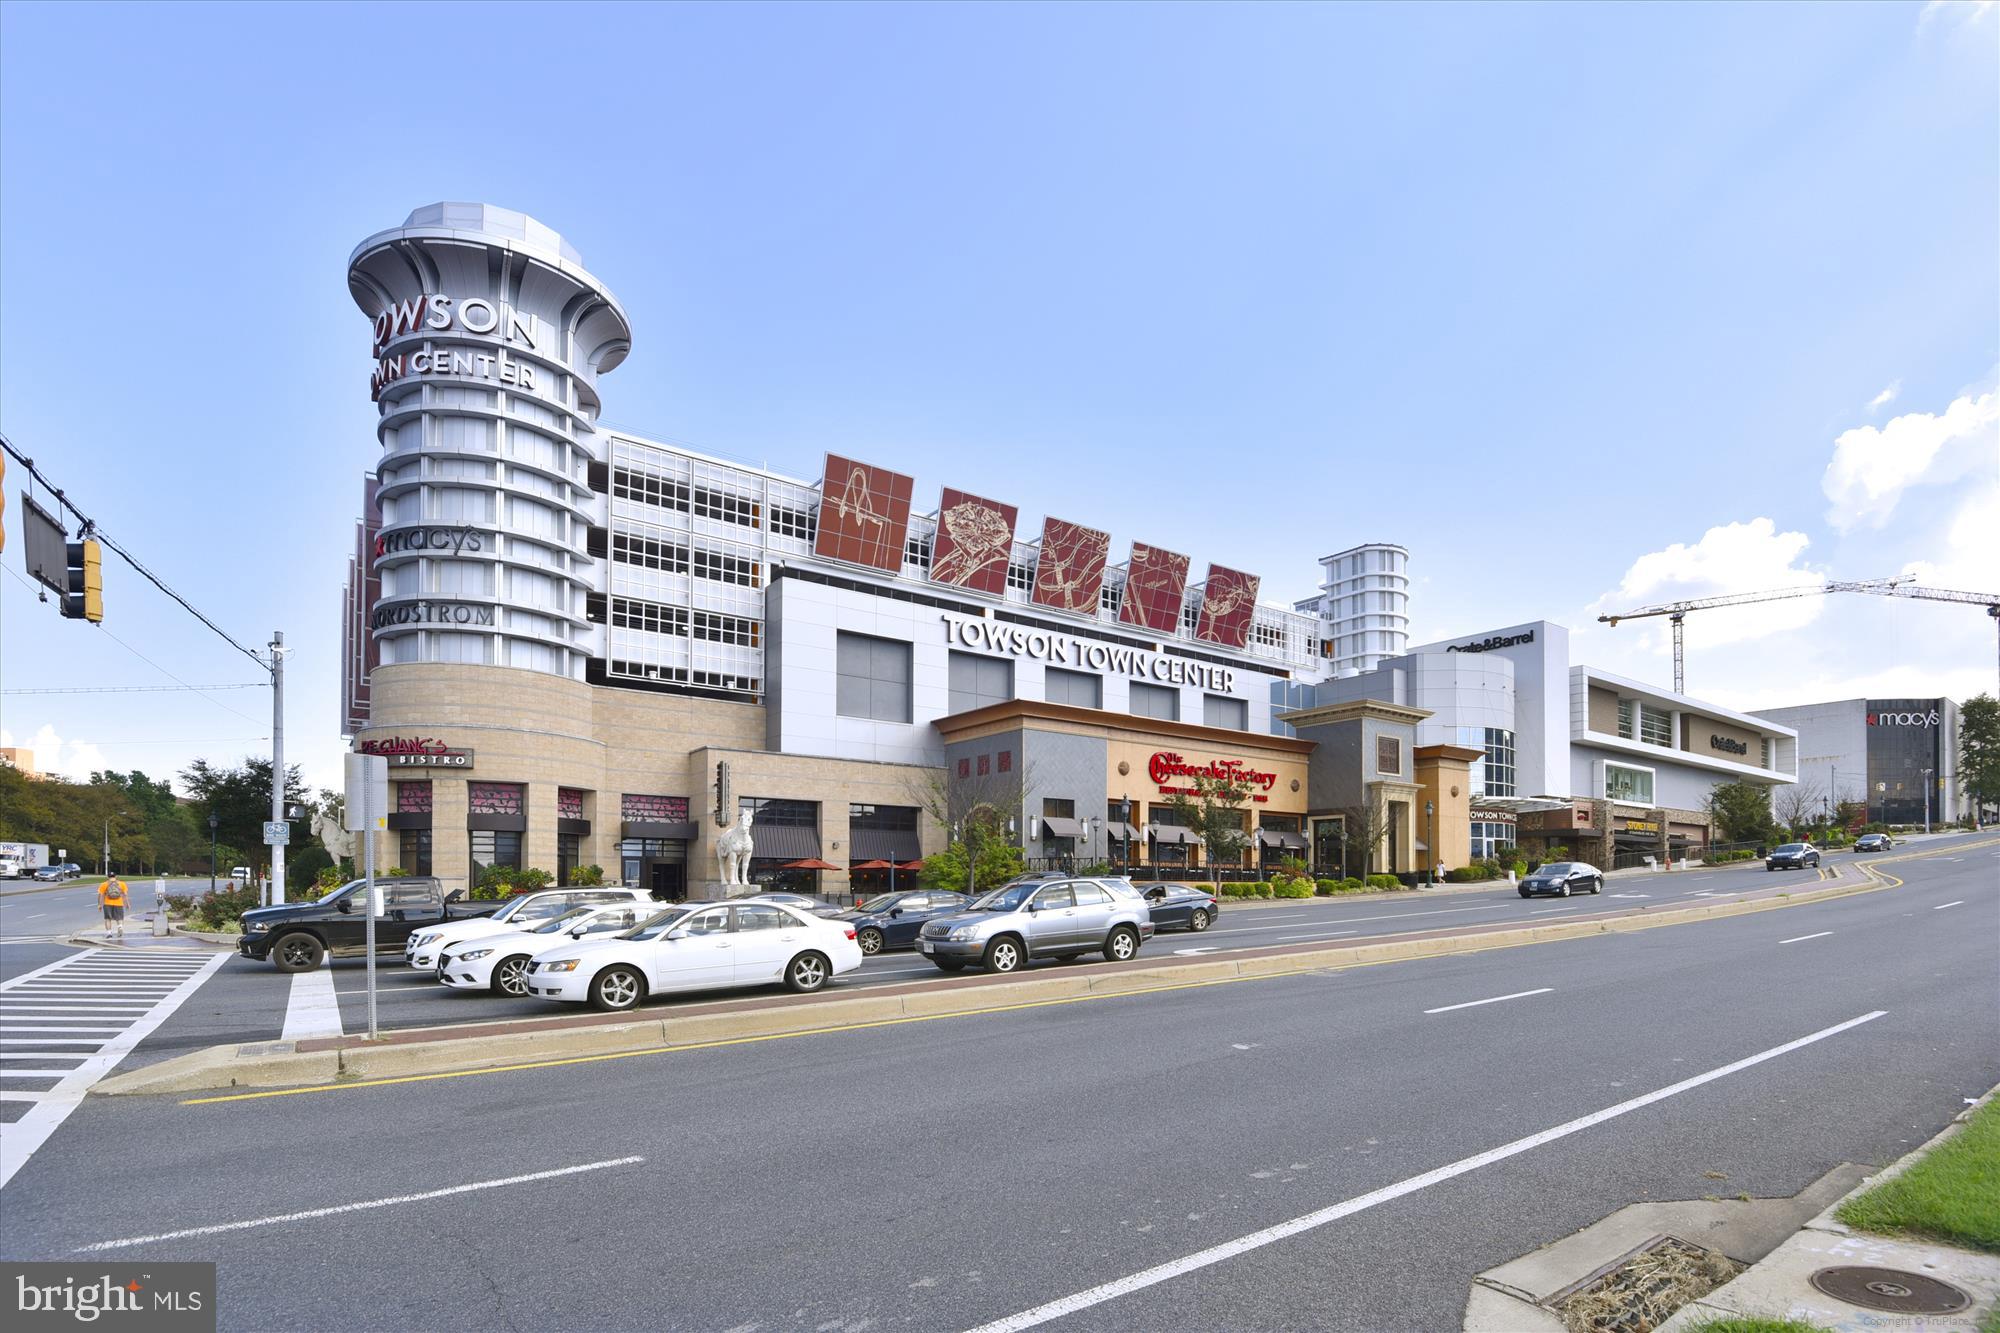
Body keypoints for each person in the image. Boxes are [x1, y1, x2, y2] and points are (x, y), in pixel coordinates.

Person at [98, 873, 129, 940]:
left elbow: (101, 895)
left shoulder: (104, 884)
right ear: (116, 876)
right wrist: (127, 904)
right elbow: (125, 894)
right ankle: (120, 927)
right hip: (119, 903)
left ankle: (109, 933)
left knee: (108, 919)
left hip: (107, 904)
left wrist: (100, 905)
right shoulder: (122, 884)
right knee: (119, 918)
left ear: (108, 877)